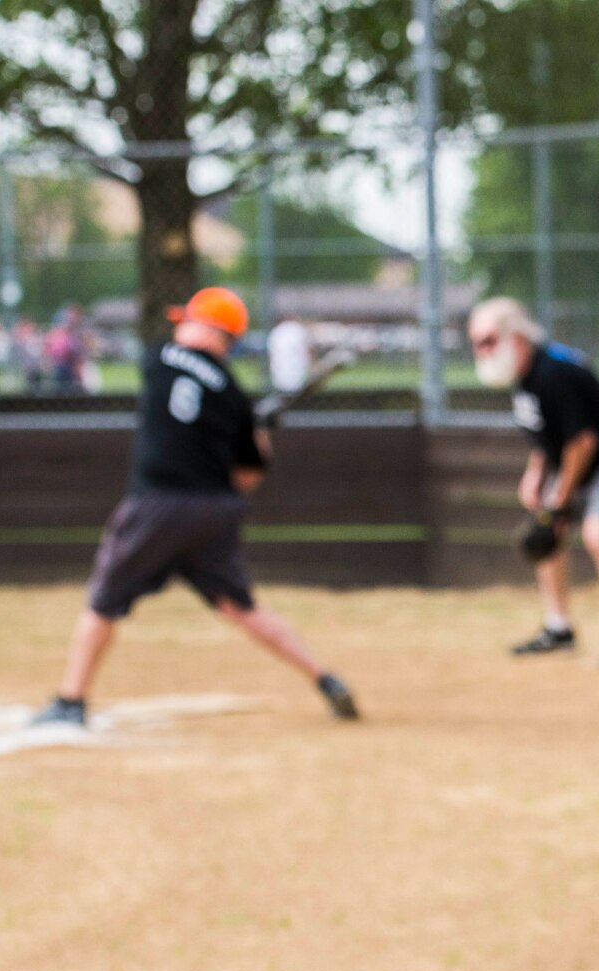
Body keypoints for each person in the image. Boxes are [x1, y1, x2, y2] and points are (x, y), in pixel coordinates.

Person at [33, 287, 360, 728]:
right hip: (213, 510)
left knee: (104, 600)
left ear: (207, 326)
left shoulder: (158, 357)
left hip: (158, 504)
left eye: (187, 319)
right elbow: (248, 477)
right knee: (241, 607)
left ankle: (70, 701)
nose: (179, 325)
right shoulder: (233, 395)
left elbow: (177, 409)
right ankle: (325, 679)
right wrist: (258, 432)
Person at [469, 297, 599, 668]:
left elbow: (583, 440)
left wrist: (561, 501)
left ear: (515, 338)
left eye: (488, 341)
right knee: (545, 530)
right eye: (476, 343)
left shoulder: (554, 372)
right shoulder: (522, 376)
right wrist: (536, 476)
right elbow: (549, 435)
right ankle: (559, 628)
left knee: (598, 532)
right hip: (575, 459)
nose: (481, 351)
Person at [267, 312, 313, 395]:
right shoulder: (298, 329)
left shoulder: (276, 331)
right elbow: (309, 351)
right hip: (296, 376)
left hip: (279, 379)